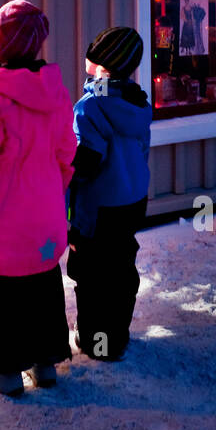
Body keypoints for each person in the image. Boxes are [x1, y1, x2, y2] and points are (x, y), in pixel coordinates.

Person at [0, 0, 77, 396]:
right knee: (43, 286)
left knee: (4, 295)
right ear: (39, 44)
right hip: (45, 219)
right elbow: (67, 152)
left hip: (3, 223)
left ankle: (3, 369)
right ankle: (45, 362)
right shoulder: (55, 95)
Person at [67, 26, 152, 361]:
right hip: (132, 200)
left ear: (101, 62)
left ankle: (97, 343)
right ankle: (117, 335)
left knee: (91, 275)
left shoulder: (91, 107)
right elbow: (142, 149)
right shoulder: (136, 102)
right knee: (120, 268)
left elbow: (85, 162)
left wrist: (65, 178)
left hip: (99, 205)